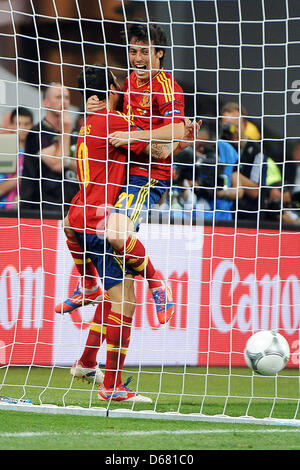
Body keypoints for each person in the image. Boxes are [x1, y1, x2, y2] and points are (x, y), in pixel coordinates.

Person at [62, 65, 192, 401]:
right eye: (117, 85)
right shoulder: (114, 121)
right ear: (110, 89)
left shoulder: (85, 123)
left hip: (79, 220)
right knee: (126, 302)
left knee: (117, 296)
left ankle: (89, 362)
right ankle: (156, 282)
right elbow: (161, 152)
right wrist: (182, 137)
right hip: (100, 221)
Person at [59, 23, 188, 324]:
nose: (138, 57)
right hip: (122, 171)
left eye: (145, 51)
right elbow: (116, 110)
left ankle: (159, 285)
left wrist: (135, 137)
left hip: (149, 175)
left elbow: (177, 130)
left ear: (159, 54)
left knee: (115, 234)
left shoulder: (167, 87)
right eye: (133, 51)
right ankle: (89, 285)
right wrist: (97, 102)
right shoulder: (128, 83)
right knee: (71, 224)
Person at [20, 82, 78, 217]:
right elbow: (58, 164)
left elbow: (84, 167)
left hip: (72, 206)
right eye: (58, 97)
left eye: (67, 97)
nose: (64, 102)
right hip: (43, 208)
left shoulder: (76, 133)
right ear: (46, 102)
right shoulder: (37, 133)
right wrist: (66, 132)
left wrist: (66, 160)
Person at [219, 101, 274, 222]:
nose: (232, 131)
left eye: (236, 126)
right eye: (227, 127)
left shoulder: (256, 151)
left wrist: (234, 174)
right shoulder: (219, 147)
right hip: (223, 214)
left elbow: (256, 191)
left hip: (248, 218)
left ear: (245, 125)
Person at [0, 107, 33, 209]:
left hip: (31, 211)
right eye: (18, 124)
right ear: (11, 125)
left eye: (26, 124)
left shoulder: (35, 152)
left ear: (32, 125)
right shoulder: (6, 150)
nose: (22, 128)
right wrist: (23, 176)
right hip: (6, 212)